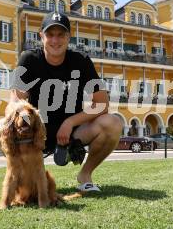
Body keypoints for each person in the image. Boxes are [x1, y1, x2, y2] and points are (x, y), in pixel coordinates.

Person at [10, 11, 123, 192]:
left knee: (113, 123)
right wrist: (28, 126)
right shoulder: (28, 59)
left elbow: (102, 104)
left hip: (72, 134)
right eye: (50, 34)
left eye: (61, 34)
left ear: (68, 37)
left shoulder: (81, 61)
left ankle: (84, 175)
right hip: (36, 133)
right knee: (5, 124)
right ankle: (24, 175)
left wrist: (70, 123)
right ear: (41, 36)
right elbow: (16, 101)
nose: (55, 40)